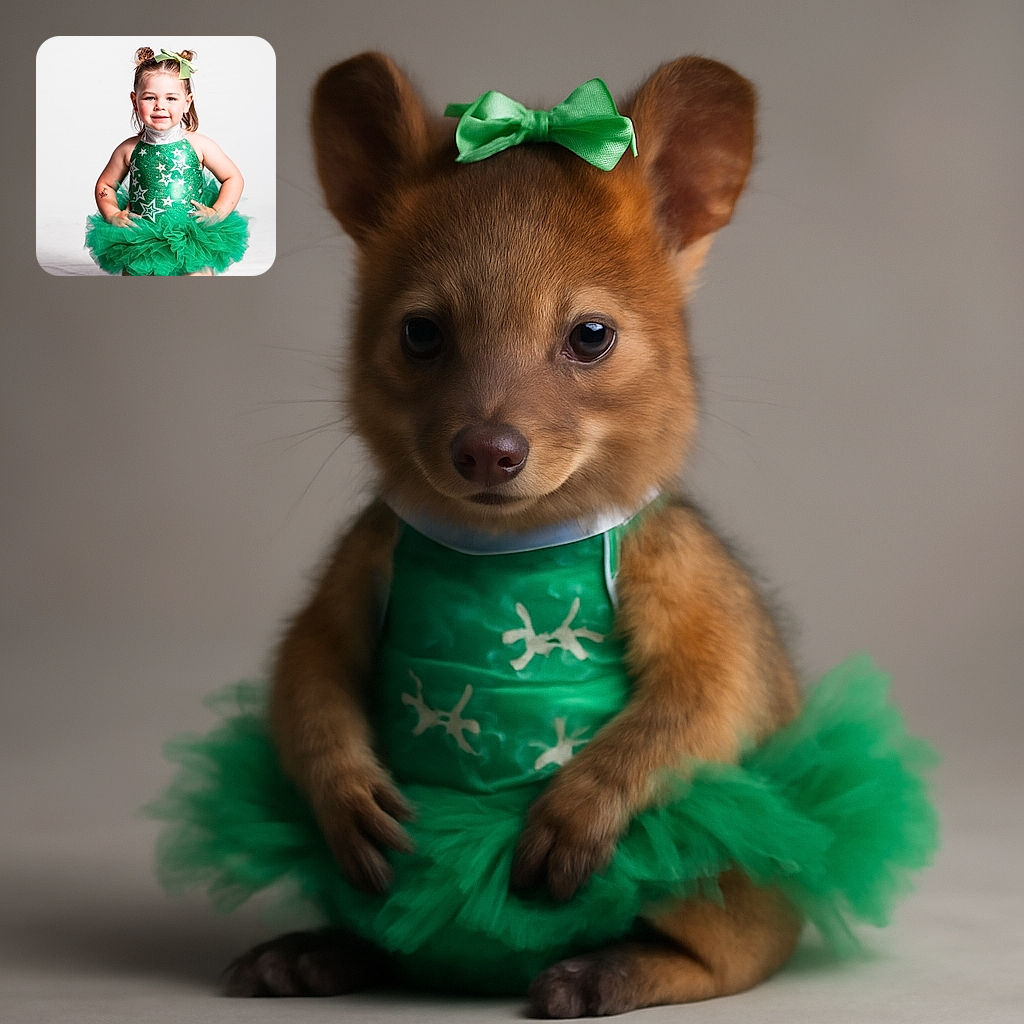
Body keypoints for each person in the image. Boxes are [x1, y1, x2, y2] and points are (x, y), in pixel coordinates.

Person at [85, 47, 248, 276]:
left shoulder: (199, 145)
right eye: (150, 97)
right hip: (142, 238)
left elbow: (233, 178)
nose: (160, 105)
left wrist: (218, 212)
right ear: (134, 100)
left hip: (189, 236)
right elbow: (105, 185)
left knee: (196, 278)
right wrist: (112, 213)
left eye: (171, 98)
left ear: (187, 101)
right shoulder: (128, 149)